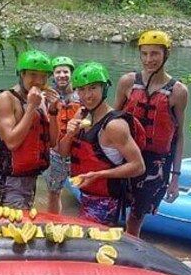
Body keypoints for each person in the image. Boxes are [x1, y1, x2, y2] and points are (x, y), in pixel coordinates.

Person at [115, 30, 188, 236]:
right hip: (124, 156)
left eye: (155, 54)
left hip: (155, 163)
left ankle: (129, 258)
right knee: (111, 209)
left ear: (166, 55)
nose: (149, 59)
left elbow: (178, 136)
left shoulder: (178, 91)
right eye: (145, 53)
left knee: (136, 217)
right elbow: (111, 121)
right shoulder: (127, 82)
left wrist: (175, 177)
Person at [57, 62, 144, 225]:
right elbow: (62, 152)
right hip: (86, 196)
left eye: (93, 88)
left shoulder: (114, 125)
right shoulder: (81, 113)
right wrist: (70, 134)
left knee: (91, 245)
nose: (87, 95)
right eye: (81, 89)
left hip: (106, 201)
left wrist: (98, 175)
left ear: (104, 88)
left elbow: (138, 166)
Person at [0, 49, 58, 209]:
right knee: (11, 225)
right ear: (22, 74)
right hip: (10, 180)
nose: (39, 81)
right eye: (33, 75)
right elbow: (11, 143)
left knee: (24, 221)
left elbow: (53, 142)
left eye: (43, 76)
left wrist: (54, 111)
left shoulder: (40, 100)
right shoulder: (6, 99)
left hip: (31, 177)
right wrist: (31, 108)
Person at [44, 56, 81, 214]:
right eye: (58, 72)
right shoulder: (48, 96)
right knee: (54, 192)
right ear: (53, 75)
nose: (62, 75)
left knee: (86, 192)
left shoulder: (83, 94)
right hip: (55, 152)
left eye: (65, 71)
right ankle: (53, 222)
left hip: (78, 150)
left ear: (71, 74)